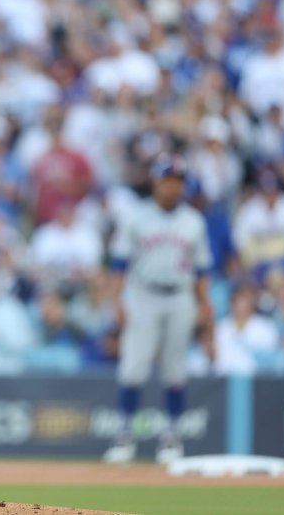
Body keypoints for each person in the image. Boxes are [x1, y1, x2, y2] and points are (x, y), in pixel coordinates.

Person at [103, 155, 214, 465]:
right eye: (168, 181)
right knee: (134, 367)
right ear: (156, 182)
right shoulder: (136, 217)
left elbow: (203, 271)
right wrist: (117, 302)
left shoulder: (194, 221)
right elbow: (119, 265)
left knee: (176, 370)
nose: (172, 187)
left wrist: (205, 307)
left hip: (181, 296)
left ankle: (171, 438)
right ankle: (124, 437)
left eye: (178, 182)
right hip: (143, 295)